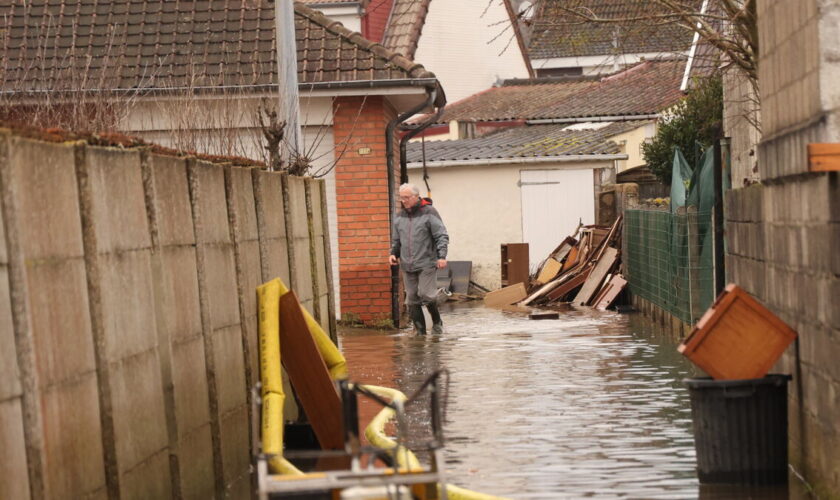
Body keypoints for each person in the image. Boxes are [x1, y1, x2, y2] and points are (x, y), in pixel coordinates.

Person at [389, 183, 449, 335]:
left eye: (407, 197)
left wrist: (442, 256)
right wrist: (393, 253)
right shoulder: (399, 216)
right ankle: (420, 332)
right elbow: (397, 240)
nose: (404, 201)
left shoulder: (429, 212)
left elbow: (441, 235)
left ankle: (437, 322)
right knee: (412, 299)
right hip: (407, 264)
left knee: (426, 295)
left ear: (416, 197)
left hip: (427, 262)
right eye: (401, 198)